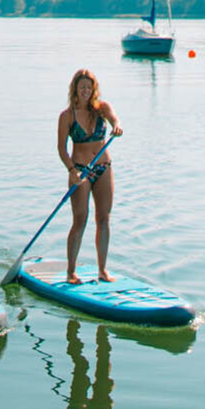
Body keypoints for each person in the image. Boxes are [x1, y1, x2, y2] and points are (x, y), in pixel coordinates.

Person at [55, 68, 122, 283]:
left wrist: (117, 126)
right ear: (75, 89)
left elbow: (114, 119)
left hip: (103, 167)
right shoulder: (67, 116)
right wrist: (72, 171)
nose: (85, 90)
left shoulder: (102, 108)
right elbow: (62, 149)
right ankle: (71, 272)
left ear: (94, 89)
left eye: (89, 87)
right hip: (80, 171)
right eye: (81, 86)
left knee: (104, 218)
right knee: (80, 220)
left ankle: (102, 270)